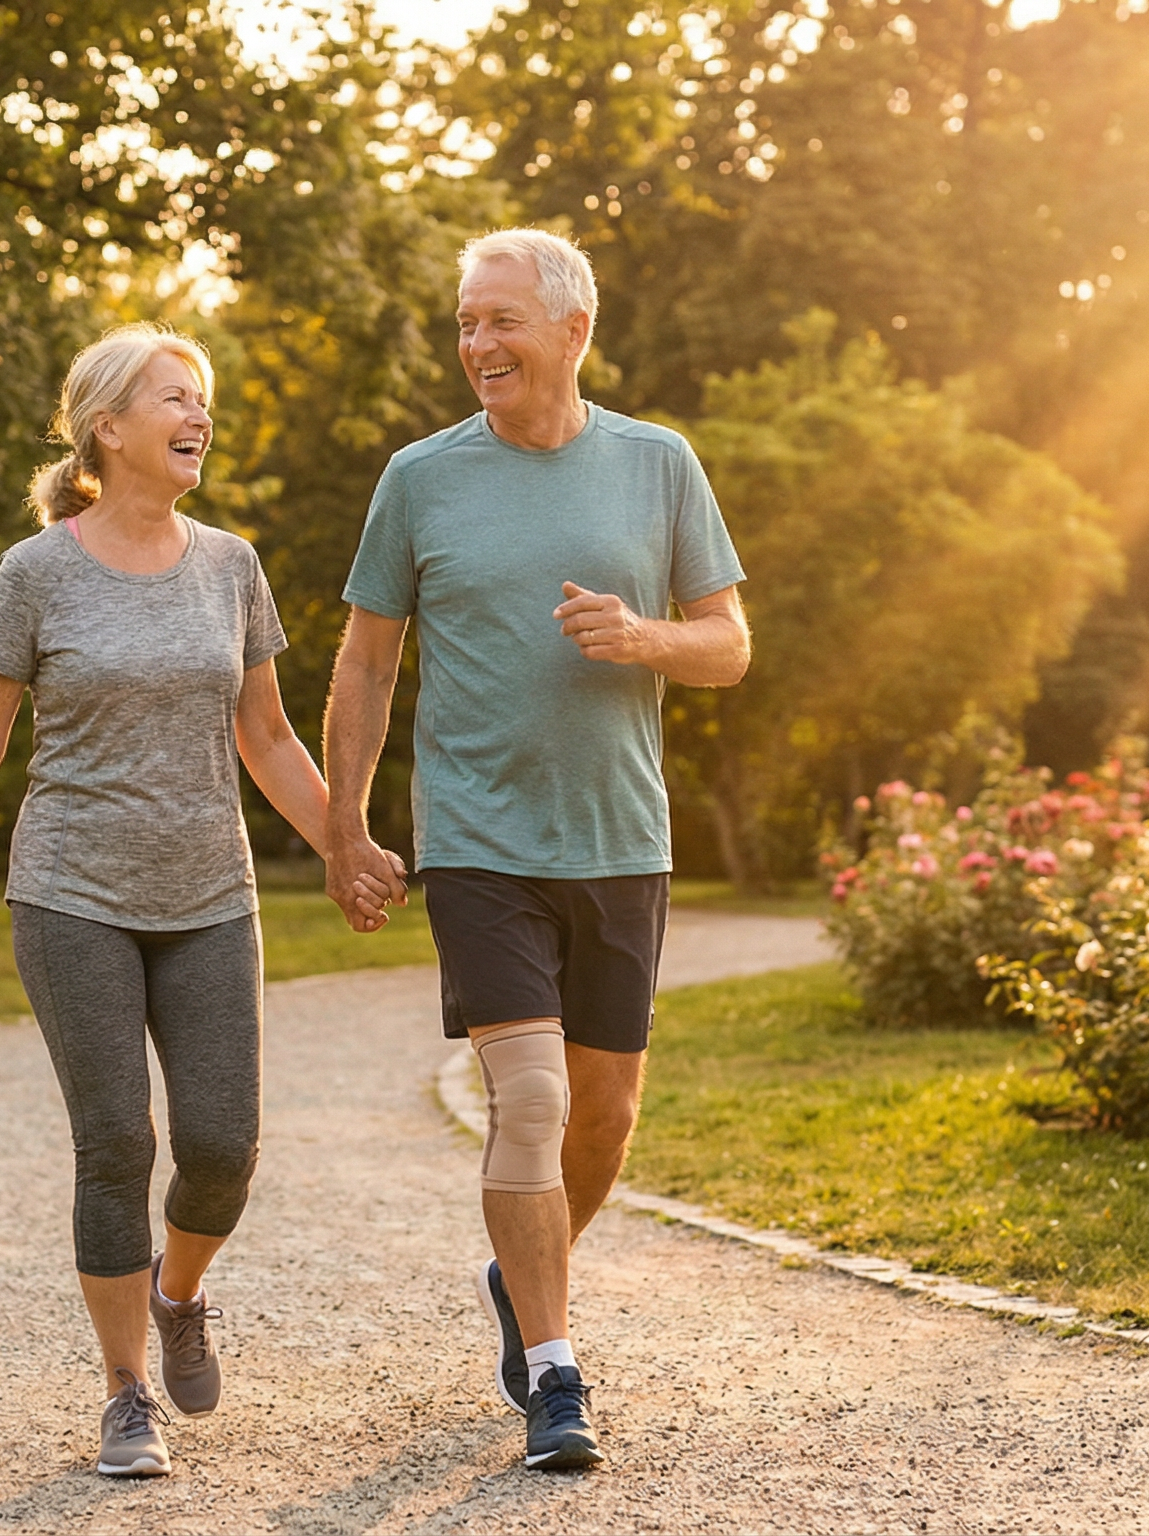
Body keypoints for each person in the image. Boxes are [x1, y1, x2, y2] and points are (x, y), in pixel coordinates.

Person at [0, 323, 406, 1479]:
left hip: (209, 894)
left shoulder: (230, 566)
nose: (197, 416)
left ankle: (178, 1292)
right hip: (71, 893)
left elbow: (266, 735)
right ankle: (124, 1393)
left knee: (221, 1146)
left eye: (201, 399)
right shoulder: (35, 572)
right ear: (106, 428)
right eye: (174, 397)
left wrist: (344, 842)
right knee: (116, 1139)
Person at [320, 229, 751, 1471]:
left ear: (572, 330)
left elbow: (727, 645)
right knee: (532, 1096)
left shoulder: (657, 464)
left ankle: (518, 1282)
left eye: (500, 320)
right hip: (477, 840)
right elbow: (365, 662)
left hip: (619, 838)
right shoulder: (419, 479)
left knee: (603, 1118)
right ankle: (554, 1376)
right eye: (466, 323)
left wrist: (644, 637)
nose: (477, 344)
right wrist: (346, 826)